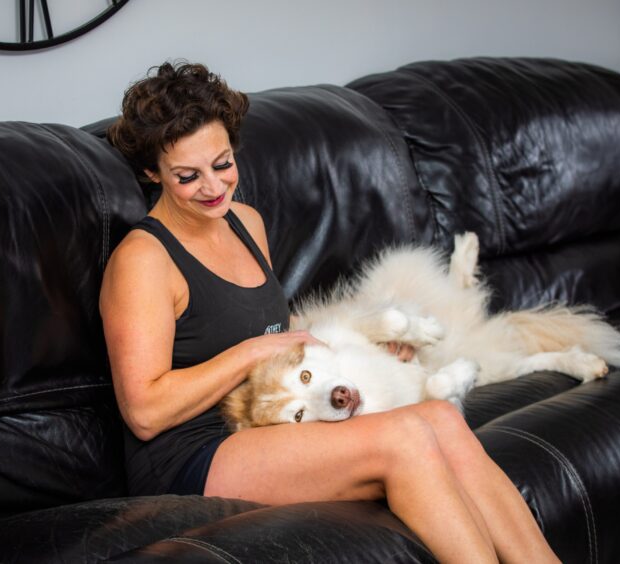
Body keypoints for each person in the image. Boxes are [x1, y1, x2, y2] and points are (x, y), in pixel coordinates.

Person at [100, 61, 560, 563]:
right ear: (152, 172)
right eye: (188, 176)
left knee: (439, 420)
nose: (213, 187)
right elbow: (144, 413)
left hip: (267, 421)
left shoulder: (245, 223)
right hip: (191, 453)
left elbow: (271, 335)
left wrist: (365, 346)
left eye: (223, 163)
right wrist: (255, 349)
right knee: (405, 437)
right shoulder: (142, 260)